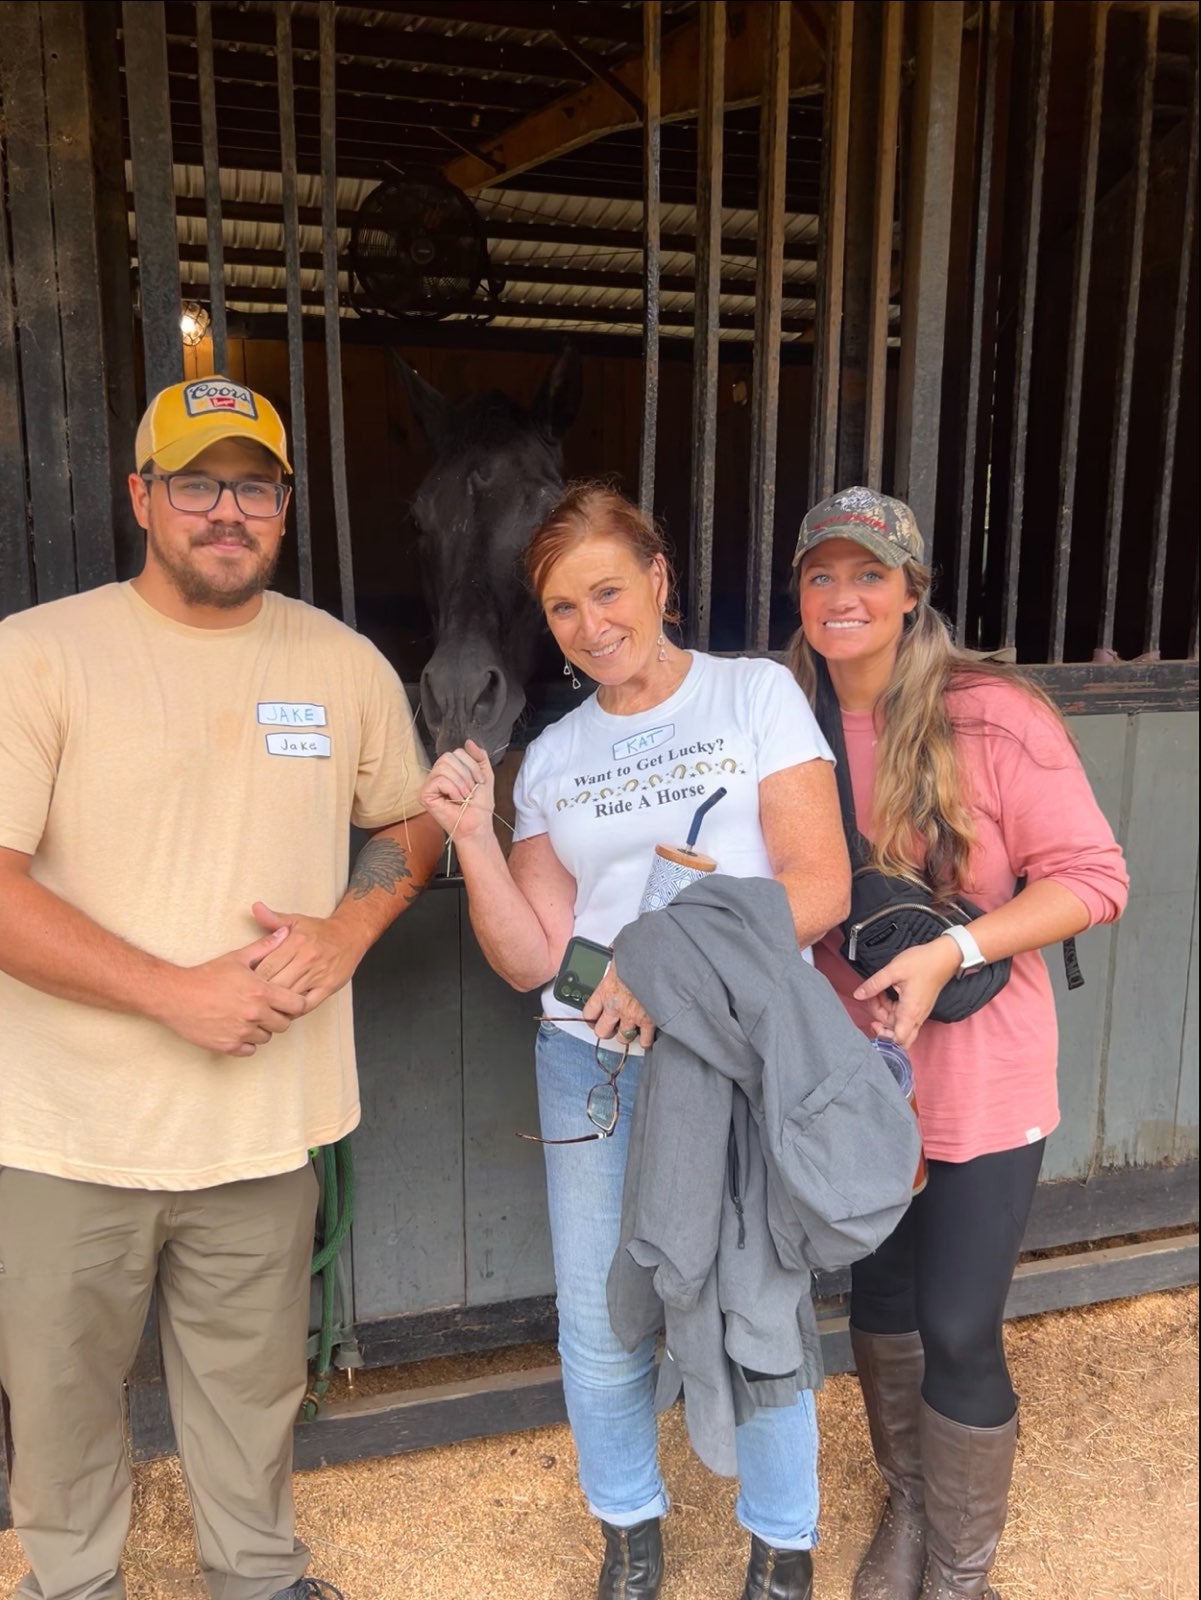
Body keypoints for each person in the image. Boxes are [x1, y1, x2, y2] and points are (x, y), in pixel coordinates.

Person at [0, 376, 443, 1600]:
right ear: (142, 496)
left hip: (263, 1124)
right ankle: (72, 1582)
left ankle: (254, 1576)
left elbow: (411, 821)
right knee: (60, 1394)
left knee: (252, 1386)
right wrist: (166, 992)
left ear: (286, 507)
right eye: (197, 482)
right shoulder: (38, 656)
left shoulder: (340, 661)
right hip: (65, 1127)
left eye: (254, 485)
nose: (226, 510)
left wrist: (354, 924)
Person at [419, 483, 852, 1600]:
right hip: (591, 1061)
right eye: (562, 608)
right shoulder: (555, 755)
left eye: (607, 590)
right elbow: (531, 957)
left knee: (757, 1296)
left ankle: (781, 1550)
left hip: (734, 1053)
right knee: (600, 1316)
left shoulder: (751, 695)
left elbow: (817, 885)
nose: (590, 623)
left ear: (658, 579)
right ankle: (628, 1536)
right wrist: (470, 835)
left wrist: (673, 976)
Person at [789, 487, 1129, 1600]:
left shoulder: (991, 715)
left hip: (982, 1065)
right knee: (881, 1304)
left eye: (867, 575)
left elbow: (1092, 878)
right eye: (821, 574)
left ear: (910, 593)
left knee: (956, 1319)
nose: (843, 596)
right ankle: (913, 1498)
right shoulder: (781, 720)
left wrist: (954, 949)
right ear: (798, 594)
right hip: (858, 1074)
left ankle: (960, 1569)